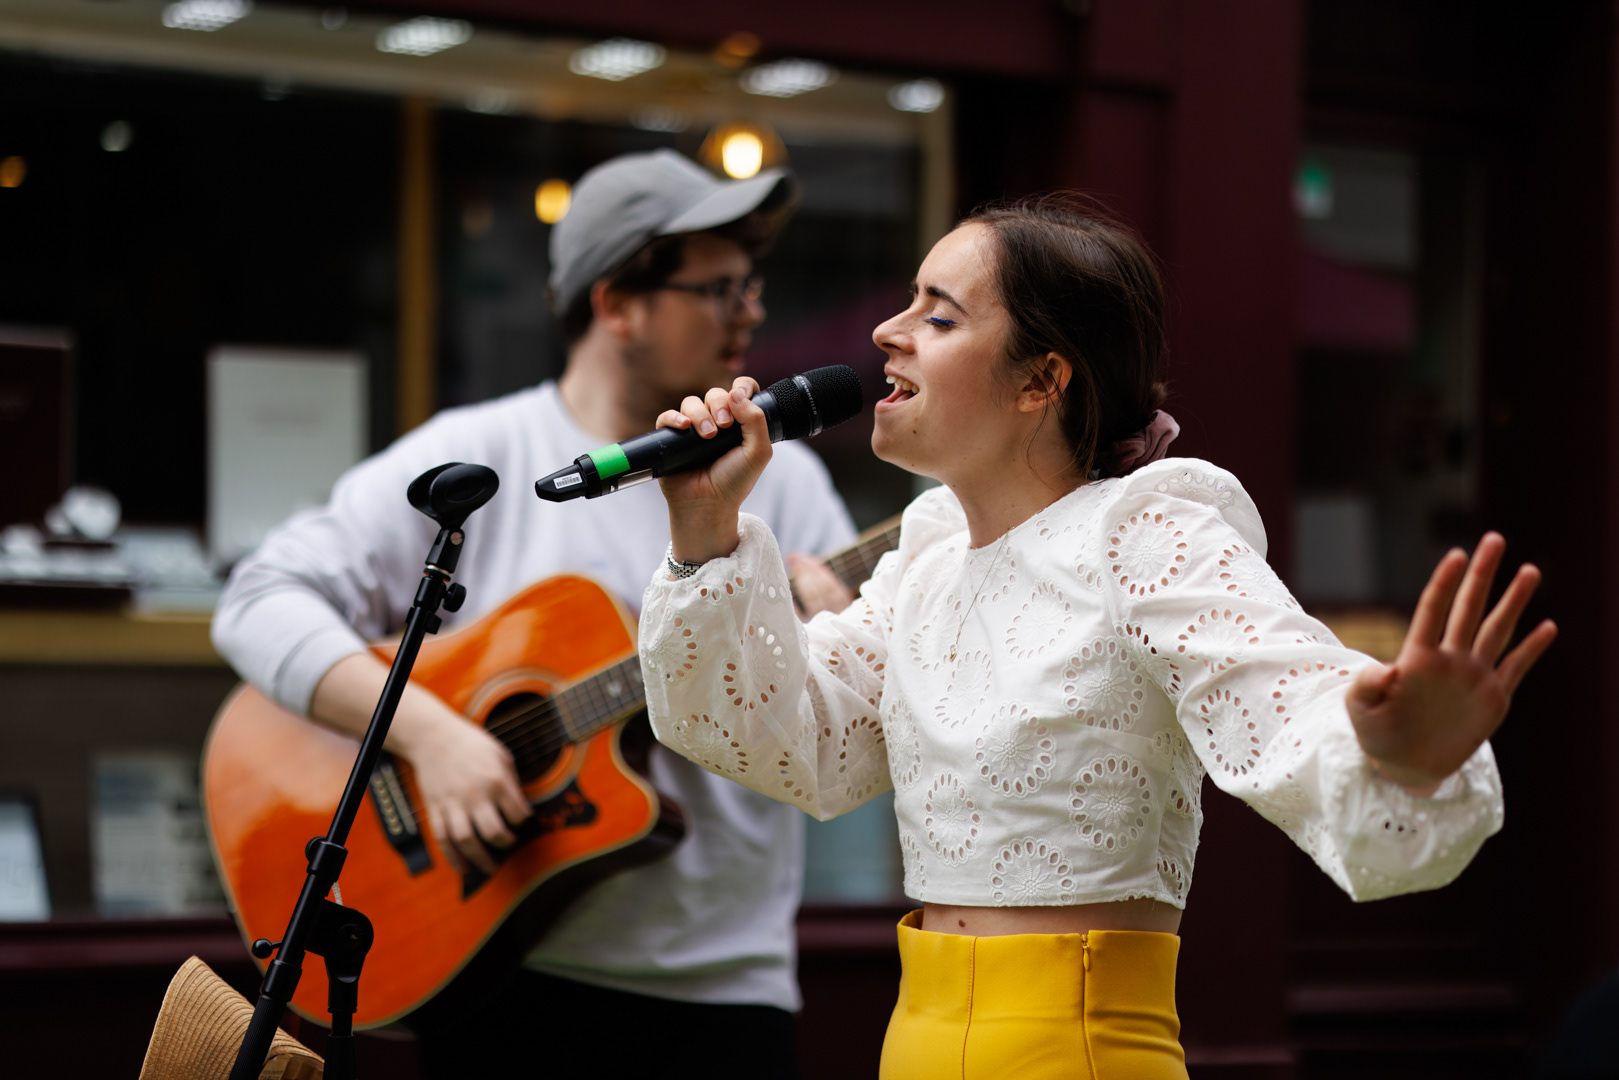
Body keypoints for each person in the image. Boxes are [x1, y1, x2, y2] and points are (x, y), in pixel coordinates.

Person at [636, 193, 1557, 1078]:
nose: (887, 331)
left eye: (940, 316)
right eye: (907, 301)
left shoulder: (1142, 531)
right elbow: (792, 741)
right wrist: (704, 531)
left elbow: (1284, 695)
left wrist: (1396, 755)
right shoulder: (927, 561)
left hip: (1075, 1050)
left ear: (1041, 380)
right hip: (913, 1041)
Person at [211, 150, 857, 1078]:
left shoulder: (786, 482)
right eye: (719, 289)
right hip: (495, 975)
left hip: (723, 989)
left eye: (750, 285)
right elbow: (258, 598)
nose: (750, 312)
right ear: (616, 304)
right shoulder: (484, 454)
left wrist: (826, 638)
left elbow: (841, 729)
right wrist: (433, 737)